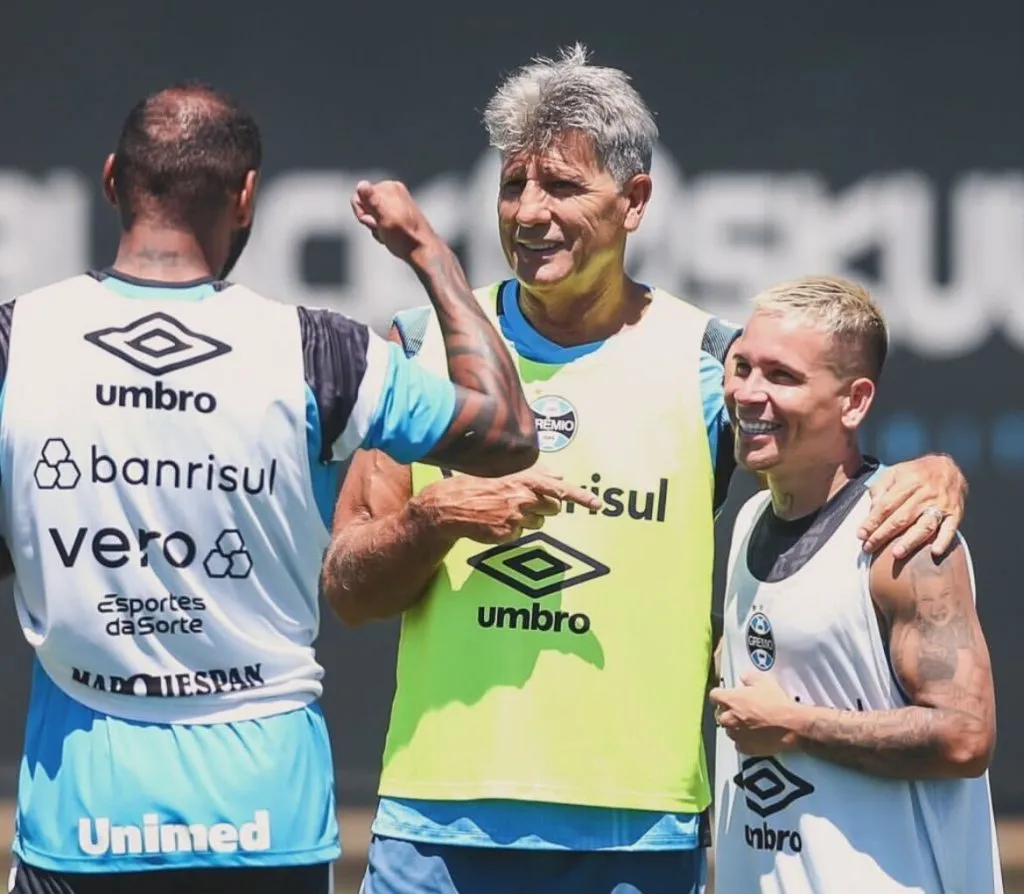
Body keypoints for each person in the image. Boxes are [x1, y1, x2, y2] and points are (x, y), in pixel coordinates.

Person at [320, 46, 969, 894]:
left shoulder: (711, 365)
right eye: (514, 186)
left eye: (562, 187)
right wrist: (438, 517)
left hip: (639, 830)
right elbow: (348, 586)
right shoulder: (419, 348)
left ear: (635, 202)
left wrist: (935, 468)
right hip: (437, 826)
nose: (530, 212)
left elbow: (833, 465)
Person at [0, 83, 539, 894]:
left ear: (112, 181)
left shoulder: (19, 342)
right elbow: (506, 433)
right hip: (265, 820)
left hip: (83, 816)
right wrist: (430, 251)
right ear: (246, 197)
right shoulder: (318, 352)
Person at [709, 276, 1001, 893]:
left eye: (782, 376)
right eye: (742, 367)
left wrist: (797, 726)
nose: (748, 393)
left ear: (854, 401)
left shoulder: (906, 537)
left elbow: (964, 736)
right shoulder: (747, 521)